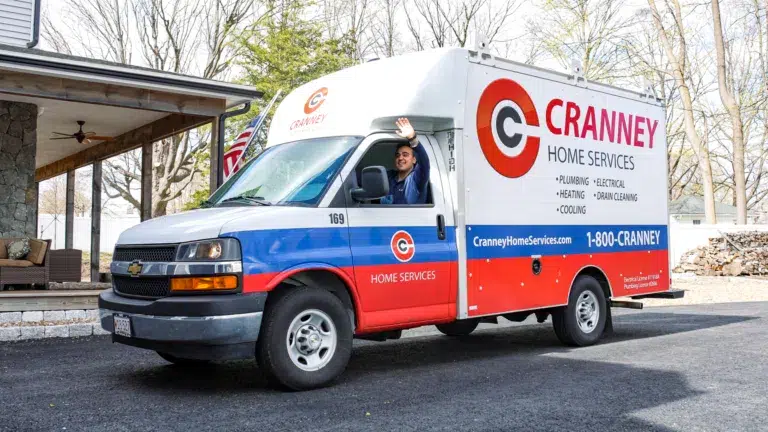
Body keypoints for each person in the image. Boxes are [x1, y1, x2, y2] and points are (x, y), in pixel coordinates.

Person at [380, 117, 430, 205]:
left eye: (405, 155)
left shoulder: (416, 179)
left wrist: (412, 139)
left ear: (414, 160)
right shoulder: (388, 176)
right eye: (398, 155)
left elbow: (424, 163)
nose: (400, 158)